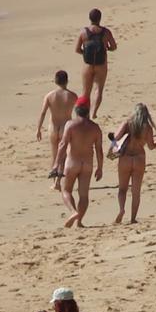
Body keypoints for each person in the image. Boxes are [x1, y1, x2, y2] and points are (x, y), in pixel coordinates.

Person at [54, 96, 103, 227]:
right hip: (87, 164)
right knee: (84, 195)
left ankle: (73, 211)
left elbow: (63, 145)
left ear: (76, 109)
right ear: (88, 110)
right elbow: (99, 150)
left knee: (66, 190)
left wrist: (56, 164)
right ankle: (79, 222)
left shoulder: (71, 125)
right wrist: (100, 168)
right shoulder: (95, 128)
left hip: (72, 162)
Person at [112, 103, 156, 224]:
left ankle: (121, 209)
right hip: (139, 158)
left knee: (122, 189)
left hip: (125, 157)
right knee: (136, 191)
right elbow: (151, 146)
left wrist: (116, 147)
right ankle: (132, 218)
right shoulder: (147, 128)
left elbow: (115, 137)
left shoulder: (127, 123)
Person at [38, 71, 78, 190]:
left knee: (54, 155)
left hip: (53, 127)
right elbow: (79, 112)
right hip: (66, 127)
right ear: (67, 80)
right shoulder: (72, 96)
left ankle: (55, 182)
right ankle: (58, 182)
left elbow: (43, 112)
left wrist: (38, 128)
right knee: (63, 156)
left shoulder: (50, 95)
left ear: (55, 81)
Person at [75, 8, 117, 118]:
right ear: (100, 18)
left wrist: (85, 53)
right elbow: (114, 46)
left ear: (90, 18)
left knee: (85, 91)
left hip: (87, 64)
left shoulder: (83, 32)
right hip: (101, 63)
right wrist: (107, 48)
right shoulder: (106, 32)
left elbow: (77, 49)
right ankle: (94, 112)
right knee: (98, 89)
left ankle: (85, 113)